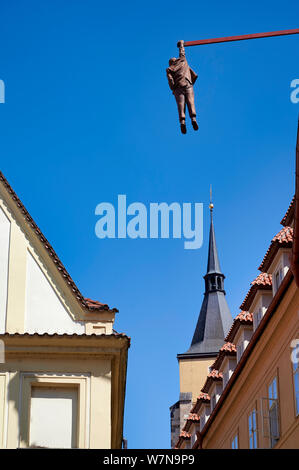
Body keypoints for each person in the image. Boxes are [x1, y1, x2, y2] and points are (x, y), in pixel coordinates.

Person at [166, 40, 198, 134]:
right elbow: (182, 52)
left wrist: (173, 88)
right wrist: (181, 44)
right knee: (191, 103)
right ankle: (193, 119)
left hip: (178, 88)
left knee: (181, 106)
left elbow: (171, 82)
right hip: (188, 84)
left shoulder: (170, 70)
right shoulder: (182, 61)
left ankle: (182, 122)